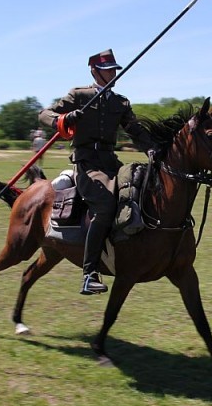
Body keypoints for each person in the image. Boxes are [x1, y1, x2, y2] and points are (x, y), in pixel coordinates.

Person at [38, 49, 158, 296]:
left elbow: (135, 131)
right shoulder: (80, 95)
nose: (113, 74)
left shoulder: (120, 102)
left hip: (111, 163)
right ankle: (90, 273)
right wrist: (65, 118)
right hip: (87, 164)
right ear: (95, 71)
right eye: (108, 70)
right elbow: (44, 114)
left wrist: (153, 149)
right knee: (104, 206)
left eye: (115, 70)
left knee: (138, 190)